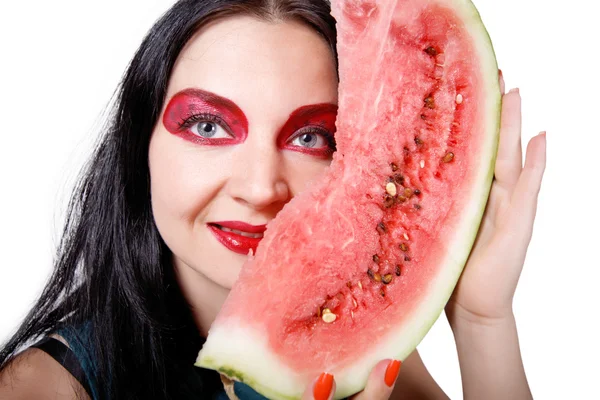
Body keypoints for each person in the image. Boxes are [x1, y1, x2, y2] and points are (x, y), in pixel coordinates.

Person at [0, 0, 546, 399]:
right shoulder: (39, 388)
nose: (261, 188)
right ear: (139, 143)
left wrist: (481, 321)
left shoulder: (371, 363)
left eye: (311, 137)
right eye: (209, 127)